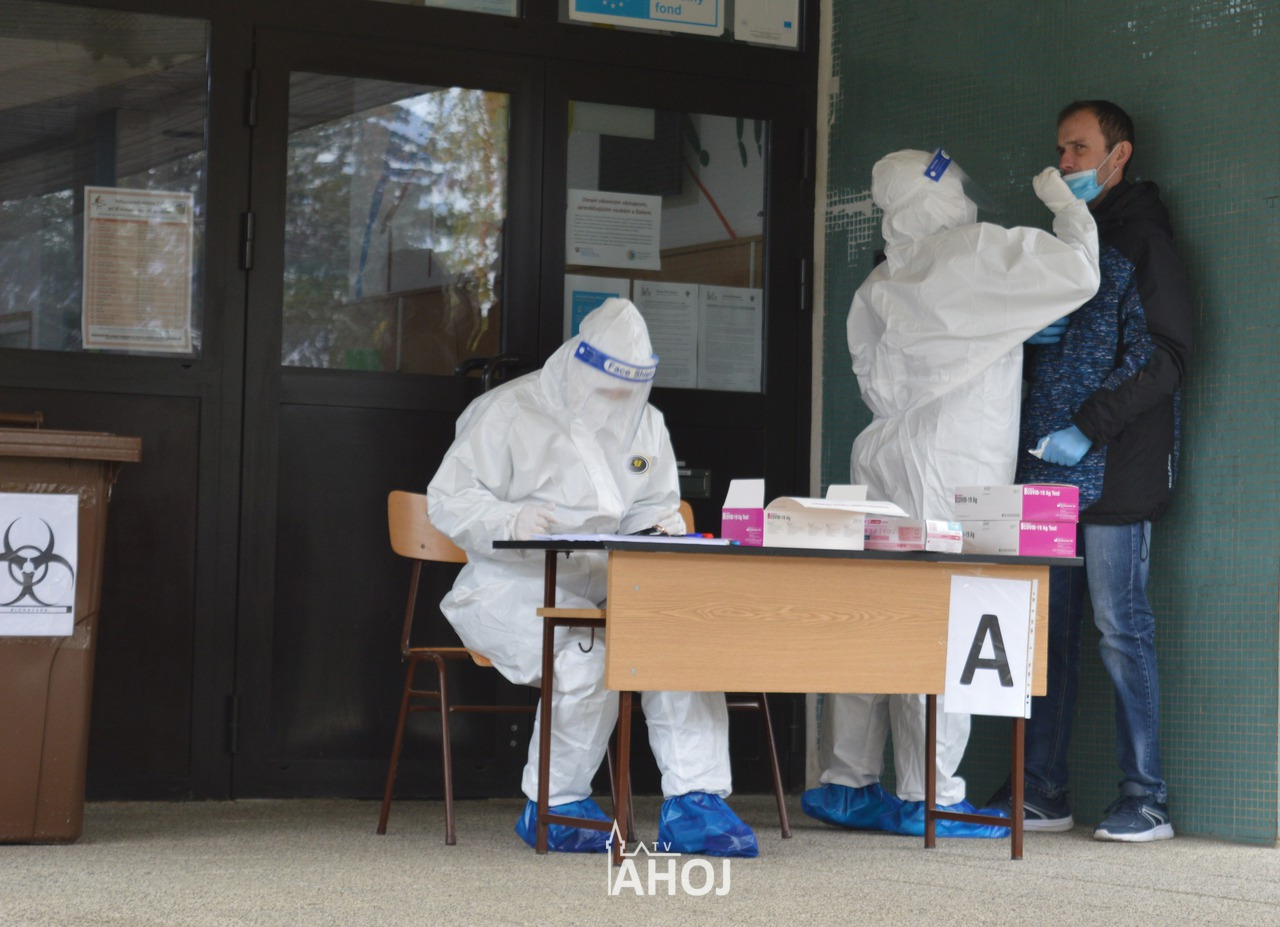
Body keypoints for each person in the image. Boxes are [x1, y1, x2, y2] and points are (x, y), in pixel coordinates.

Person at [803, 148, 1101, 838]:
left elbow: (879, 373)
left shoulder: (880, 280)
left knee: (871, 616)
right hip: (954, 466)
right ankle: (931, 795)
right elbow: (1079, 273)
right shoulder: (973, 249)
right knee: (945, 622)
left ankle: (845, 782)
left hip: (882, 460)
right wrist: (1068, 206)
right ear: (941, 196)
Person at [426, 297, 758, 857]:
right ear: (579, 366)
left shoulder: (646, 423)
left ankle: (696, 803)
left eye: (629, 390)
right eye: (608, 388)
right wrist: (508, 520)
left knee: (677, 645)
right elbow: (448, 499)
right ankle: (555, 805)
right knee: (587, 655)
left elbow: (653, 503)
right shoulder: (509, 410)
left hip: (612, 584)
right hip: (511, 587)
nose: (618, 401)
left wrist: (660, 528)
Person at [987, 101, 1193, 842]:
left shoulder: (1144, 240)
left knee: (1119, 628)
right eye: (1061, 149)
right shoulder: (1062, 241)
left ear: (1119, 155)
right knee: (1046, 634)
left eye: (1079, 148)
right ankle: (1041, 789)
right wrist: (1029, 337)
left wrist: (1089, 427)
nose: (1065, 162)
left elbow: (1167, 356)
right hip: (1047, 474)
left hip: (1116, 472)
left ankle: (1147, 797)